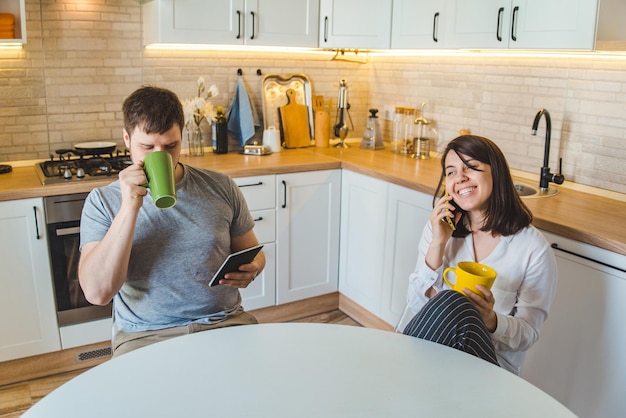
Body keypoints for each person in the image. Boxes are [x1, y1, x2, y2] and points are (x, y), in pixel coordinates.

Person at [78, 85, 265, 357]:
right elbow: (98, 294)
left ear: (182, 137)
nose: (160, 156)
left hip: (224, 322)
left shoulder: (221, 187)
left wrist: (253, 268)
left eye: (170, 146)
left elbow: (254, 253)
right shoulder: (103, 201)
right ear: (127, 139)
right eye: (147, 147)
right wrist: (130, 207)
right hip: (146, 334)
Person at [403, 135, 557, 375]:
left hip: (489, 367)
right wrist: (438, 243)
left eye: (471, 167)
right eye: (451, 172)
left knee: (452, 300)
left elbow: (529, 334)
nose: (460, 178)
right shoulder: (439, 230)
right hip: (434, 354)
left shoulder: (533, 249)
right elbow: (416, 305)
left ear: (496, 173)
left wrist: (491, 320)